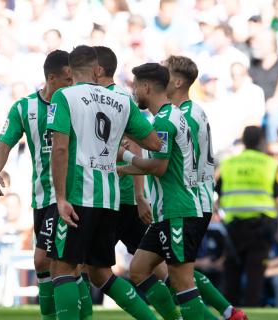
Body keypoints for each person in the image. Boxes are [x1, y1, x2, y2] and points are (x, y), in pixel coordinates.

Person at [48, 45, 161, 320]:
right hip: (110, 198)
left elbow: (60, 149)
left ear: (69, 71)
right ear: (97, 70)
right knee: (98, 272)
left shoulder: (65, 96)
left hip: (78, 195)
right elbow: (154, 142)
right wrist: (120, 150)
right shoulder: (122, 100)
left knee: (61, 269)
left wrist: (61, 198)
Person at [117, 62, 207, 320]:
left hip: (178, 209)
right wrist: (124, 168)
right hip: (166, 212)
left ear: (146, 87)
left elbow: (158, 167)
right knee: (138, 269)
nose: (134, 92)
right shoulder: (171, 116)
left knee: (182, 281)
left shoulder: (165, 121)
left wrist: (125, 158)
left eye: (135, 86)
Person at [93, 45, 178, 320]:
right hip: (129, 198)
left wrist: (141, 196)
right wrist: (140, 197)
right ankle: (184, 314)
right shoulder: (122, 100)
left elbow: (142, 147)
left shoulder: (90, 99)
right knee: (159, 269)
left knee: (90, 270)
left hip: (107, 199)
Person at [0, 49, 73, 320]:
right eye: (67, 80)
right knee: (52, 263)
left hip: (71, 193)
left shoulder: (75, 103)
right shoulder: (24, 108)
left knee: (55, 261)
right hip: (43, 195)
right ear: (51, 78)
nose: (72, 85)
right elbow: (4, 144)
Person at [162, 55, 246, 320]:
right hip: (191, 200)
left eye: (164, 74)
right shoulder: (196, 111)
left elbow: (166, 163)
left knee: (181, 278)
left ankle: (224, 313)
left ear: (176, 81)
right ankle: (229, 312)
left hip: (184, 202)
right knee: (147, 267)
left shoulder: (180, 116)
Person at [218, 126, 278, 306]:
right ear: (262, 141)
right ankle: (252, 310)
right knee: (255, 272)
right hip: (260, 226)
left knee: (232, 271)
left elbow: (219, 193)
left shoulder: (229, 163)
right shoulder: (270, 163)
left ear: (244, 141)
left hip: (234, 225)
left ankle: (229, 312)